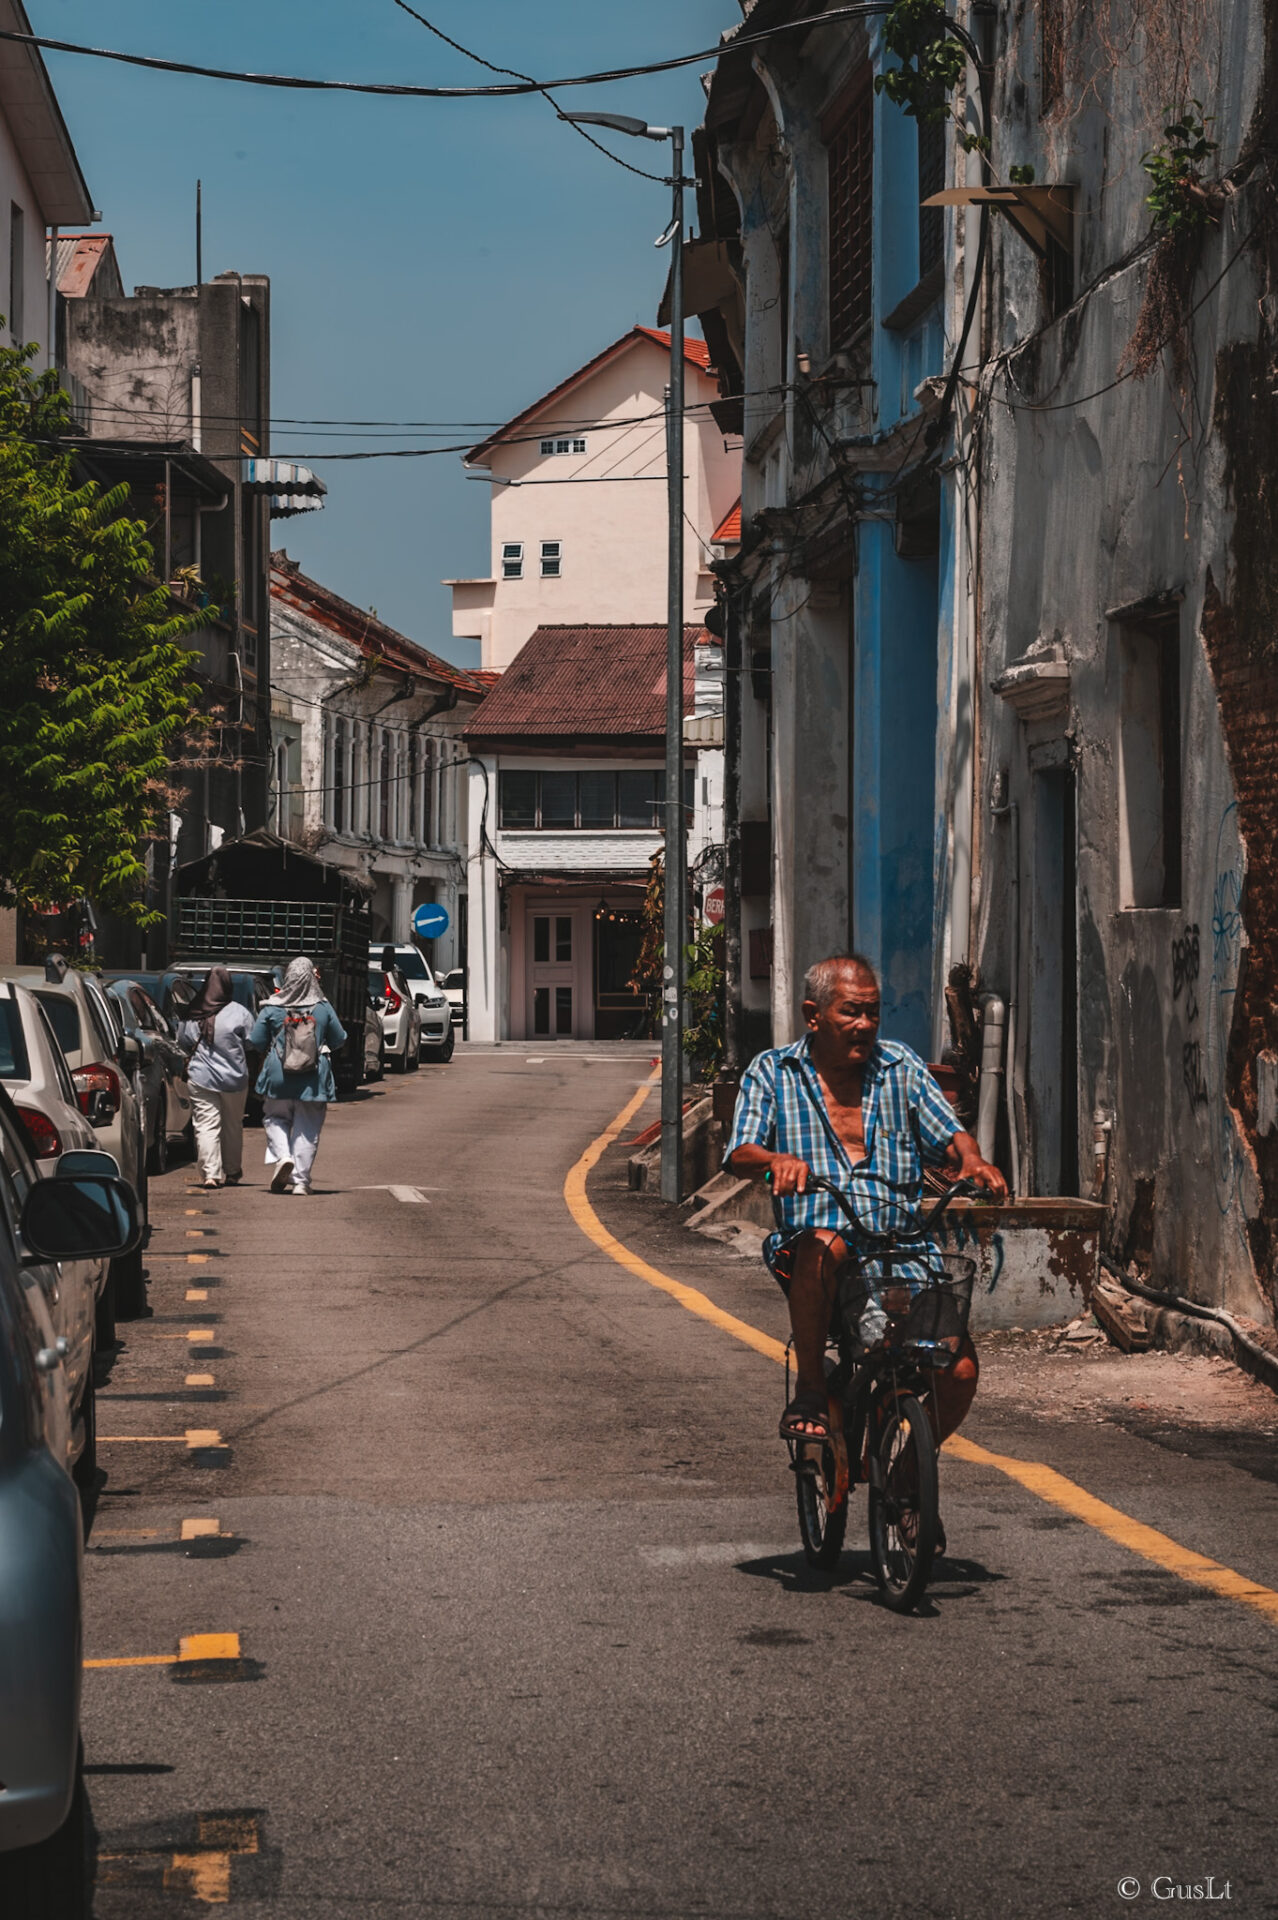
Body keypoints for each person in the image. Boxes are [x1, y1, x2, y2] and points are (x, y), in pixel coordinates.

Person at [725, 952, 1007, 1446]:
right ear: (814, 1015)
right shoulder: (773, 1072)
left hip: (902, 1248)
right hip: (814, 1244)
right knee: (823, 1246)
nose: (865, 1024)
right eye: (851, 1012)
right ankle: (811, 1389)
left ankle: (905, 1482)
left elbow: (950, 1134)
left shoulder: (900, 1066)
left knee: (959, 1372)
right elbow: (739, 1150)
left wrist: (972, 1159)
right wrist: (774, 1162)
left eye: (872, 1012)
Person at [249, 956, 348, 1196]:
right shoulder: (323, 1007)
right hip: (313, 1077)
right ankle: (301, 1181)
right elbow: (339, 1039)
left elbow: (256, 1040)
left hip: (278, 1075)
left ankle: (283, 1156)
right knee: (308, 1127)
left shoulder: (273, 1007)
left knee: (275, 1118)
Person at [178, 965, 256, 1190]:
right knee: (233, 1126)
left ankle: (211, 1174)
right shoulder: (240, 1013)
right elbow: (251, 1043)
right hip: (234, 1079)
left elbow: (183, 1042)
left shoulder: (193, 1012)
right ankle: (232, 1172)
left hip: (201, 1078)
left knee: (205, 1125)